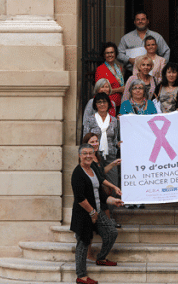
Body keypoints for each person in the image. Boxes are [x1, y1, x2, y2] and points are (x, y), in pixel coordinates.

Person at [70, 144, 124, 284]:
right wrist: (92, 213)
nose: (88, 156)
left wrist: (113, 201)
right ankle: (81, 276)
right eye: (85, 153)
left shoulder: (92, 168)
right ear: (80, 155)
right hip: (84, 214)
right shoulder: (78, 173)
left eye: (90, 153)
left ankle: (101, 258)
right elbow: (80, 198)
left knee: (111, 232)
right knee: (83, 243)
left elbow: (99, 193)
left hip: (97, 210)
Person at [82, 133, 121, 227]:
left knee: (105, 207)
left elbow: (101, 172)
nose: (95, 144)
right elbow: (99, 178)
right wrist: (114, 186)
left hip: (98, 188)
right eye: (92, 142)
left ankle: (107, 225)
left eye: (96, 141)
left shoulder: (97, 155)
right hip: (91, 190)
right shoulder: (87, 158)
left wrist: (113, 164)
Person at [117, 11, 170, 80]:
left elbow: (166, 51)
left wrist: (161, 66)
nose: (140, 21)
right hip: (131, 72)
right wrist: (129, 59)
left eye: (143, 19)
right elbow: (118, 54)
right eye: (138, 19)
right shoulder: (126, 38)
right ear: (134, 22)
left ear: (147, 21)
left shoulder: (157, 37)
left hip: (154, 75)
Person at [83, 93, 120, 189]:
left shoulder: (114, 120)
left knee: (113, 183)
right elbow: (85, 138)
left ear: (108, 104)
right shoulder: (90, 120)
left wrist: (118, 144)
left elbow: (115, 139)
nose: (102, 104)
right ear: (95, 105)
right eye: (99, 102)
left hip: (110, 155)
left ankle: (112, 204)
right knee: (95, 184)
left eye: (104, 102)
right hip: (94, 156)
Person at [94, 42, 125, 115]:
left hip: (119, 103)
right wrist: (119, 89)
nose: (110, 55)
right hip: (107, 104)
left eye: (112, 52)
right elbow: (99, 90)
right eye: (107, 53)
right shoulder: (100, 69)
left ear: (115, 54)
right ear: (104, 55)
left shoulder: (119, 68)